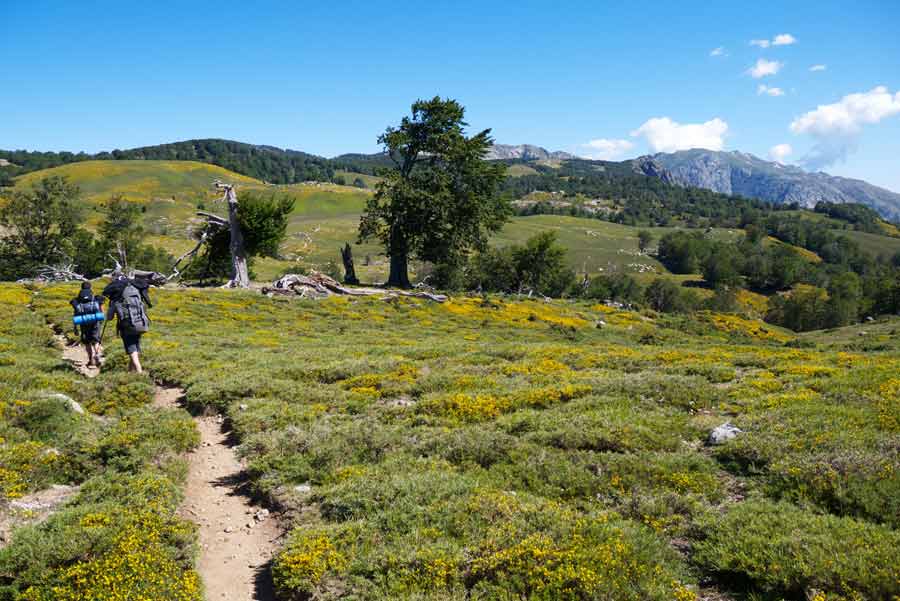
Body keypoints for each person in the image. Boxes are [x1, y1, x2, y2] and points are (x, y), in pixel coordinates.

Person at [102, 276, 152, 373]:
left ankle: (139, 371)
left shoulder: (116, 300)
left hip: (127, 326)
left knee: (131, 348)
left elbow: (109, 317)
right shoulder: (136, 293)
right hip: (141, 323)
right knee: (135, 346)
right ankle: (130, 372)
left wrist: (111, 308)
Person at [70, 281, 105, 368]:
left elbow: (75, 313)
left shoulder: (77, 300)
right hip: (95, 321)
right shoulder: (96, 298)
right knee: (96, 340)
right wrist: (101, 318)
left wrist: (75, 327)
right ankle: (97, 357)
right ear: (90, 288)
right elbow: (101, 309)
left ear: (81, 288)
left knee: (87, 342)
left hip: (83, 322)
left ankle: (91, 360)